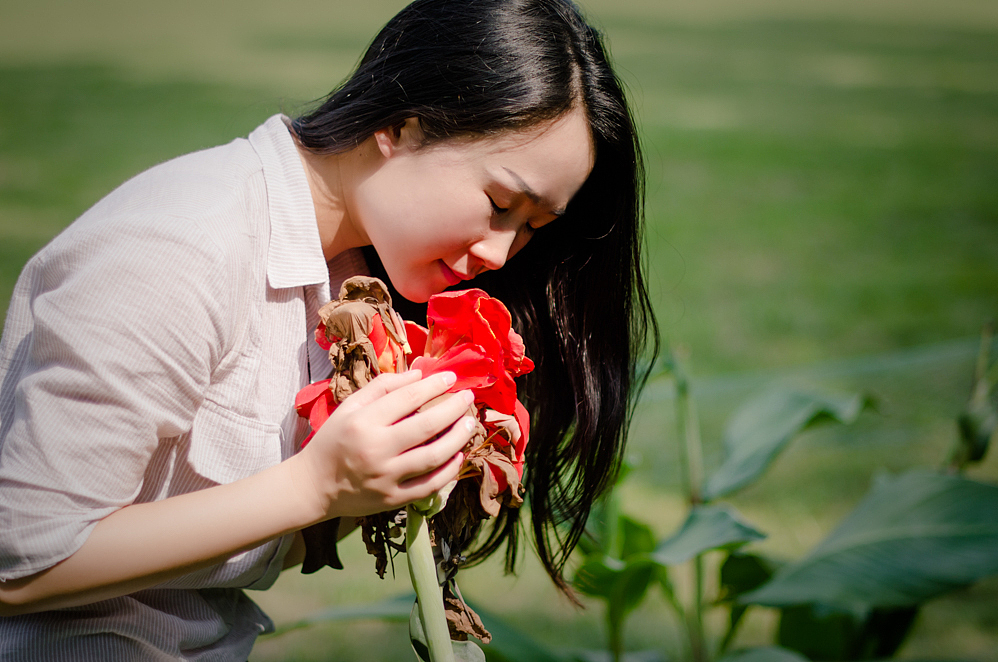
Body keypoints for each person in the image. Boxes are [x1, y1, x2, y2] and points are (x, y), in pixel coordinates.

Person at [0, 0, 657, 658]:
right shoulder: (181, 251)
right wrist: (317, 485)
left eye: (531, 228)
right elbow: (21, 561)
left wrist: (388, 475)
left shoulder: (353, 275)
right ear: (401, 126)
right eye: (500, 203)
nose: (498, 253)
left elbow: (228, 553)